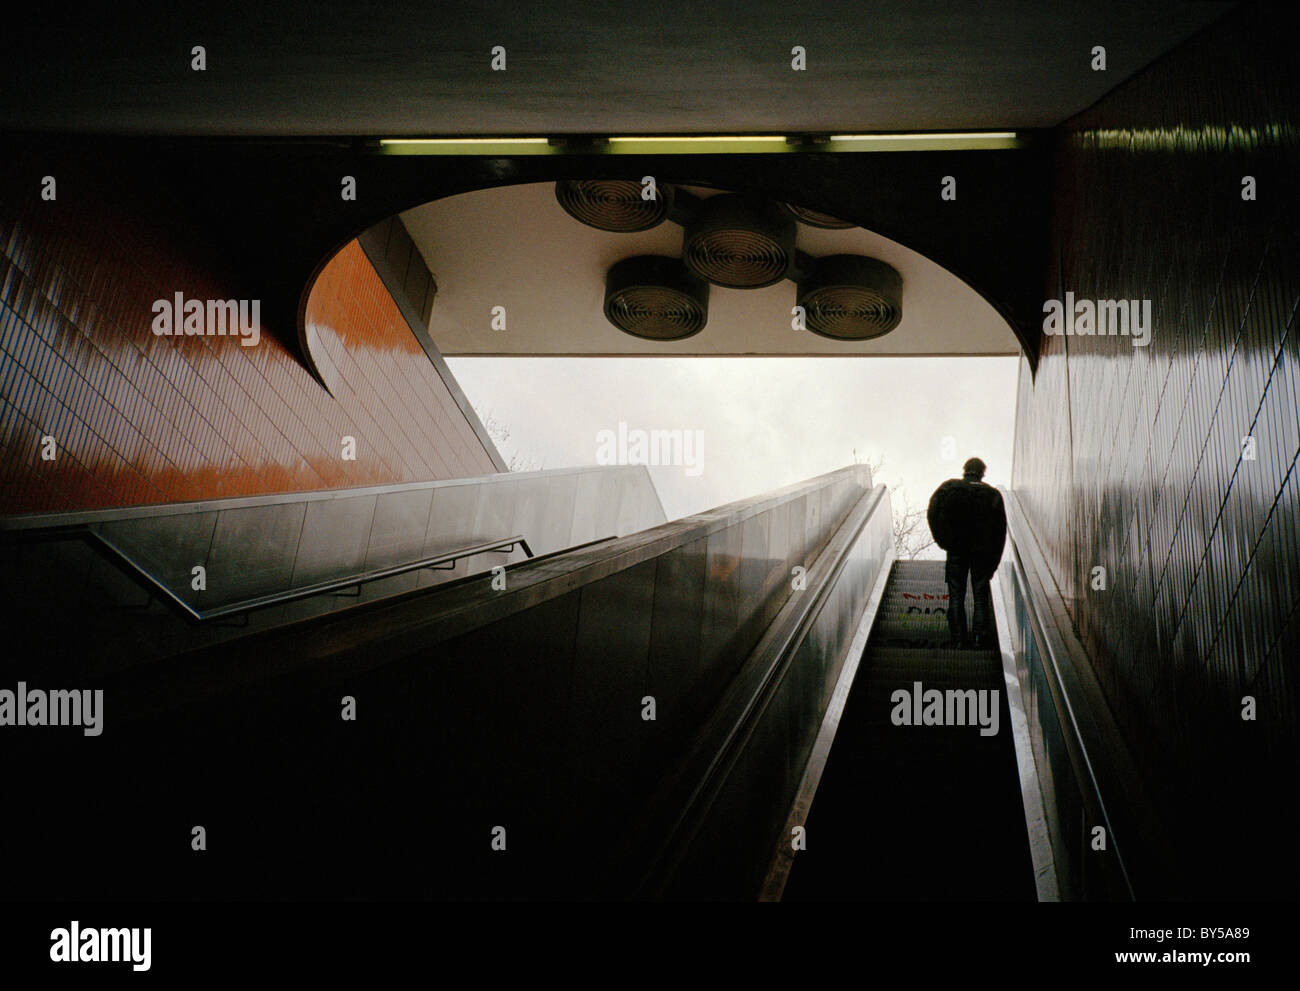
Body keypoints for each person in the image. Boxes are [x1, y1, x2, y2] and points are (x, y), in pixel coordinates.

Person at [926, 457, 1007, 649]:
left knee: (956, 595)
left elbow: (932, 513)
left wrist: (943, 541)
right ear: (982, 472)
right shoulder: (992, 495)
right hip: (982, 553)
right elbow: (1000, 532)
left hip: (956, 550)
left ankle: (959, 639)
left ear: (965, 470)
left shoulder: (949, 488)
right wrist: (993, 562)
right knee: (980, 594)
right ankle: (979, 638)